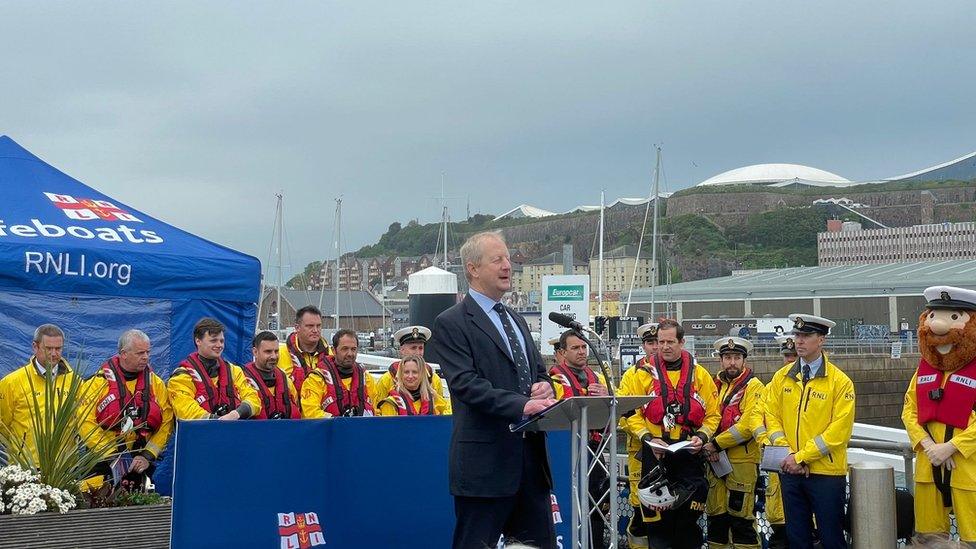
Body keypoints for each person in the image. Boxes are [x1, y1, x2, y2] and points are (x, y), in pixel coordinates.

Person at [427, 231, 557, 549]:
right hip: (484, 468)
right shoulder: (452, 322)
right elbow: (466, 384)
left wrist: (544, 387)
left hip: (530, 465)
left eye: (508, 258)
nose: (507, 266)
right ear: (472, 268)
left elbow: (539, 373)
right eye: (497, 259)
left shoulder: (517, 320)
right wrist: (521, 405)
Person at [621, 318, 720, 549]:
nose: (664, 346)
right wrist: (647, 437)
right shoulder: (640, 375)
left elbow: (713, 414)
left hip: (688, 453)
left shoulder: (700, 375)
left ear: (682, 342)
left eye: (670, 342)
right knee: (657, 526)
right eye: (660, 341)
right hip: (655, 455)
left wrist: (702, 437)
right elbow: (628, 413)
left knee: (688, 523)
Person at [763, 314, 855, 549]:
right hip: (790, 470)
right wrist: (788, 453)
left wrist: (801, 457)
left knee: (831, 537)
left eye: (806, 336)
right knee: (797, 537)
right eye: (797, 335)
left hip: (825, 473)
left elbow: (839, 431)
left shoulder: (840, 382)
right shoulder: (781, 378)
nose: (799, 341)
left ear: (821, 339)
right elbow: (771, 416)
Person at [902, 286, 976, 543]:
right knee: (928, 537)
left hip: (968, 470)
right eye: (933, 315)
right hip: (928, 466)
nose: (938, 325)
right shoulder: (923, 371)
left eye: (954, 317)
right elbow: (909, 411)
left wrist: (951, 447)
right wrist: (929, 445)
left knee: (973, 537)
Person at [80, 329, 173, 488]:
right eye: (140, 353)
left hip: (140, 464)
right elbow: (85, 423)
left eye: (148, 352)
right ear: (123, 354)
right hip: (103, 462)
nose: (146, 357)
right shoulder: (97, 383)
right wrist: (112, 456)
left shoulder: (155, 384)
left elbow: (166, 423)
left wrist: (147, 455)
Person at [550, 329, 610, 549]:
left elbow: (613, 419)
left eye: (584, 347)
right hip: (568, 453)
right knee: (572, 508)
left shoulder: (599, 380)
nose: (582, 351)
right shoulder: (554, 380)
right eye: (575, 348)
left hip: (594, 452)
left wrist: (606, 398)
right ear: (562, 353)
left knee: (599, 503)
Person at [703, 337, 764, 549]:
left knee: (742, 519)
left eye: (737, 357)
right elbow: (706, 416)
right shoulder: (714, 385)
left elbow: (748, 425)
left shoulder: (754, 387)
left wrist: (715, 444)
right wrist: (707, 444)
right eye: (727, 357)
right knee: (716, 517)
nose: (732, 362)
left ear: (744, 360)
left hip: (742, 461)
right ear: (720, 360)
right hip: (714, 461)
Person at [0, 324, 80, 462]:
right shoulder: (12, 382)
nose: (54, 354)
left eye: (58, 349)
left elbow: (82, 422)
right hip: (25, 467)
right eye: (48, 348)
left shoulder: (75, 382)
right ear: (35, 347)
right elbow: (3, 425)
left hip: (63, 468)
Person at [168, 318, 261, 420]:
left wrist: (236, 414)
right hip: (201, 433)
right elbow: (185, 410)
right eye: (213, 341)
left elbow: (253, 399)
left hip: (235, 432)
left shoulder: (234, 371)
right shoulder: (182, 377)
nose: (219, 345)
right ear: (198, 341)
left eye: (221, 341)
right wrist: (217, 421)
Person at [618, 322, 659, 549]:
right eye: (650, 343)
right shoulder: (633, 375)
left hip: (671, 450)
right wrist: (645, 435)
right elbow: (626, 412)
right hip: (641, 452)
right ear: (644, 346)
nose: (654, 347)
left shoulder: (683, 371)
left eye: (658, 342)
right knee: (640, 512)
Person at [755, 334, 797, 548]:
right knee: (779, 538)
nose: (790, 360)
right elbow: (757, 418)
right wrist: (766, 442)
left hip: (802, 464)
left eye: (794, 355)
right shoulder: (772, 386)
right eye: (787, 356)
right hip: (778, 468)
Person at [300, 329, 376, 418]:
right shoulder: (316, 379)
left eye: (353, 349)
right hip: (329, 430)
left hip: (361, 429)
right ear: (334, 350)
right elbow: (310, 412)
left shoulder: (366, 379)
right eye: (345, 349)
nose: (350, 354)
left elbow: (376, 411)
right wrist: (339, 422)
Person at [372, 325, 447, 408]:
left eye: (421, 348)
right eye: (413, 348)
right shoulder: (387, 380)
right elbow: (378, 411)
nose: (418, 352)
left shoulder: (434, 380)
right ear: (402, 350)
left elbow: (442, 410)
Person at [243, 331, 300, 419]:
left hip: (286, 431)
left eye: (276, 351)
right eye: (268, 352)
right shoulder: (242, 379)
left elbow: (297, 405)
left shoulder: (286, 381)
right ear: (255, 352)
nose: (273, 356)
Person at [279, 306, 334, 394]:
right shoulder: (279, 355)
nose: (315, 330)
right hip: (292, 405)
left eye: (318, 326)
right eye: (310, 326)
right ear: (297, 328)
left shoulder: (331, 356)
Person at [376, 354, 451, 416]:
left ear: (422, 375)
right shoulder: (391, 403)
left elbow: (449, 414)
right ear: (401, 375)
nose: (410, 376)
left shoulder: (433, 397)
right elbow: (388, 430)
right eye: (406, 372)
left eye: (415, 372)